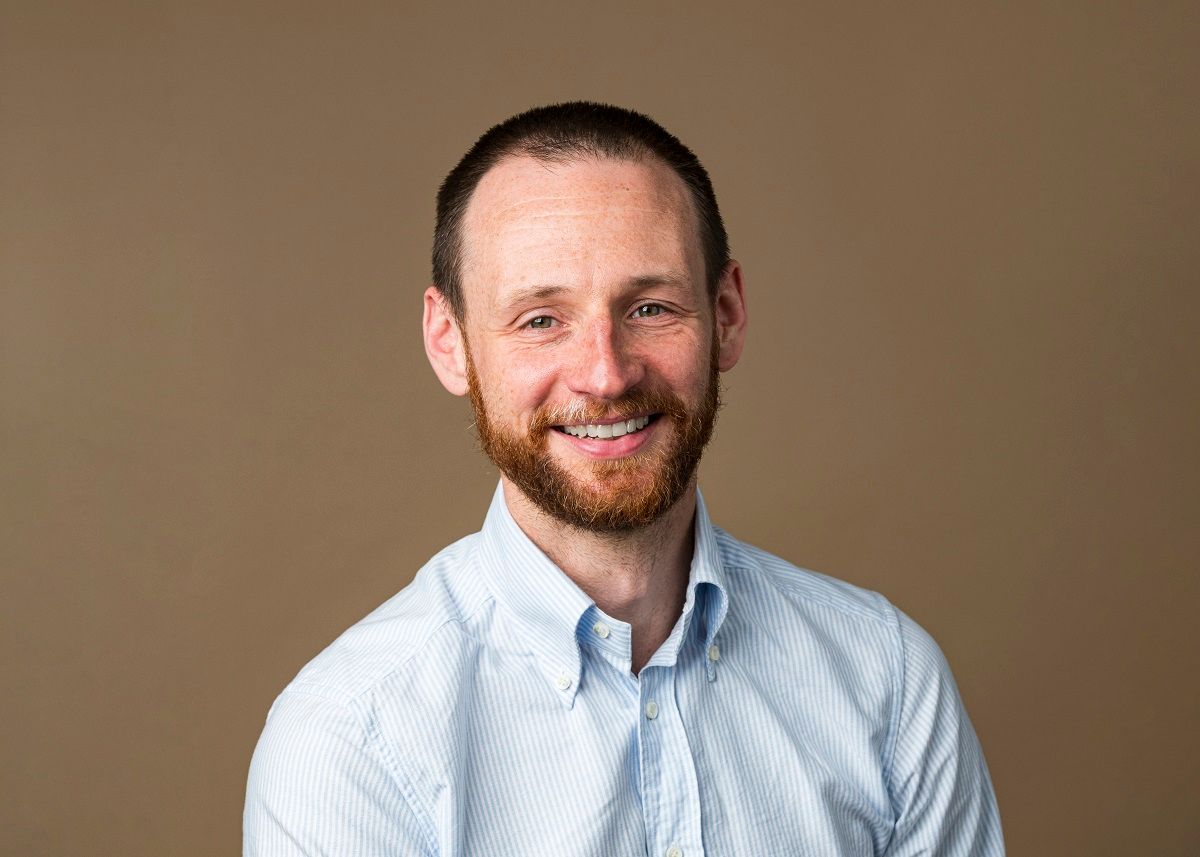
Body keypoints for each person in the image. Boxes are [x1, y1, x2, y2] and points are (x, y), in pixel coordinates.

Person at [244, 102, 1004, 856]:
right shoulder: (349, 739)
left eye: (649, 307)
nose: (605, 375)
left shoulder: (888, 682)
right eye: (541, 319)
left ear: (728, 313)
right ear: (450, 342)